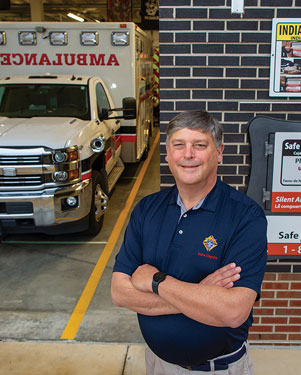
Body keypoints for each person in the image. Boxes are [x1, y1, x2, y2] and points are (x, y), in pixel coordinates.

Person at [111, 110, 267, 374]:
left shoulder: (245, 217)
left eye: (199, 145)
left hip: (219, 369)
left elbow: (232, 312)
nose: (188, 154)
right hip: (158, 364)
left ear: (218, 152)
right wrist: (200, 293)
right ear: (169, 154)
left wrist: (156, 281)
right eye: (179, 145)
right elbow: (119, 293)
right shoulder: (147, 210)